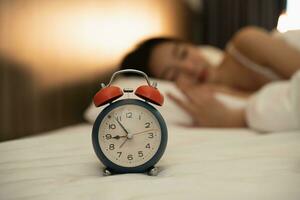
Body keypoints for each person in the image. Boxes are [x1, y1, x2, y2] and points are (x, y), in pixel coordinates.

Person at [120, 26, 300, 131]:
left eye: (183, 54)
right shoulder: (217, 96)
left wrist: (236, 119)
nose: (190, 68)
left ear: (192, 45)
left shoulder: (247, 42)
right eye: (174, 74)